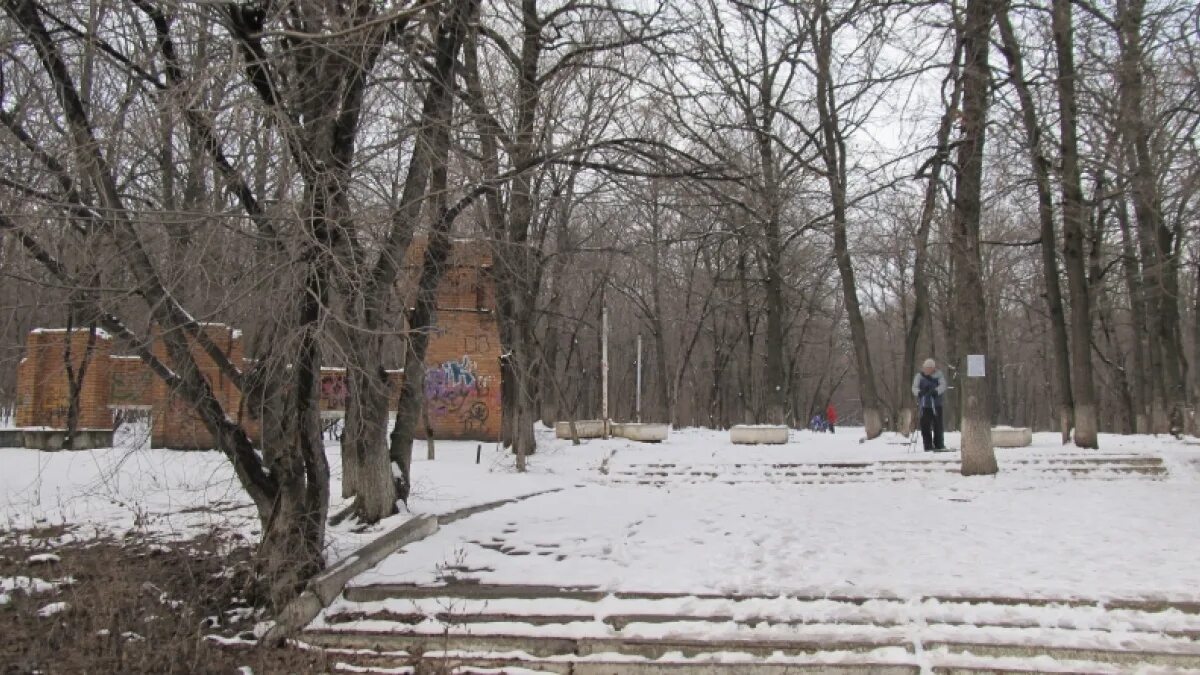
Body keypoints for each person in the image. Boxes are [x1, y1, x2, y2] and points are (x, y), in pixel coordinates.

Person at [912, 358, 947, 451]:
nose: (927, 370)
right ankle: (927, 446)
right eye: (925, 368)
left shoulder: (939, 375)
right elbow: (914, 387)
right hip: (924, 406)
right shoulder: (919, 376)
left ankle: (939, 444)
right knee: (925, 426)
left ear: (933, 368)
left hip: (936, 405)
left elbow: (943, 385)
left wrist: (936, 391)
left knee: (938, 425)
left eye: (929, 368)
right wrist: (920, 392)